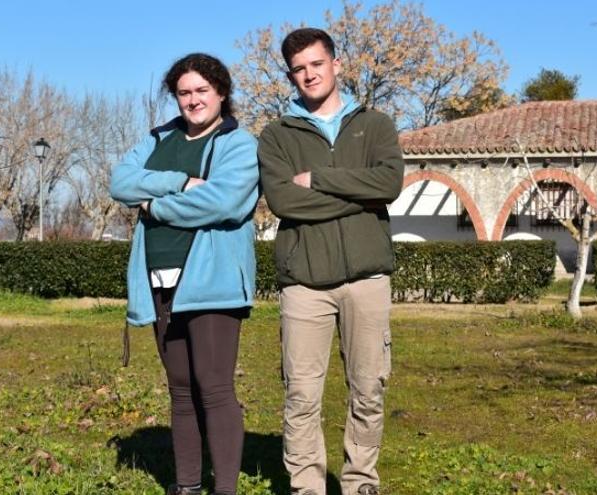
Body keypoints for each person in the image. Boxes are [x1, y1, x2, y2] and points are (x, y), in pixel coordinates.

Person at [257, 28, 404, 495]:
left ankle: (361, 481)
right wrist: (358, 196)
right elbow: (284, 201)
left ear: (336, 65)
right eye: (299, 69)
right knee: (301, 393)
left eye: (316, 64)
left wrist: (319, 179)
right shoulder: (277, 135)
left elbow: (389, 185)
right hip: (304, 284)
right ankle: (307, 486)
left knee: (369, 389)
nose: (309, 75)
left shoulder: (375, 124)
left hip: (368, 278)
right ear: (290, 75)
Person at [110, 53, 258, 495]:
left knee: (213, 388)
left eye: (202, 91)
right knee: (180, 390)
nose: (193, 100)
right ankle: (187, 485)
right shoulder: (159, 139)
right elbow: (121, 183)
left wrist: (155, 206)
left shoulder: (238, 143)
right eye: (184, 93)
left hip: (212, 284)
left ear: (221, 92)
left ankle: (225, 489)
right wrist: (179, 181)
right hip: (160, 280)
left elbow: (225, 202)